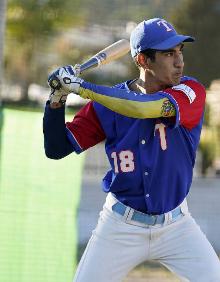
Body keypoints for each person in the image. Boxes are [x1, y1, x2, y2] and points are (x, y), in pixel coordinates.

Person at [43, 18, 220, 281]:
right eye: (168, 53)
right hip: (119, 225)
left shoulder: (190, 90)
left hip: (176, 225)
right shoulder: (106, 104)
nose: (179, 61)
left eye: (180, 51)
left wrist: (81, 87)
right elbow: (56, 148)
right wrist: (57, 99)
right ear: (143, 61)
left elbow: (142, 107)